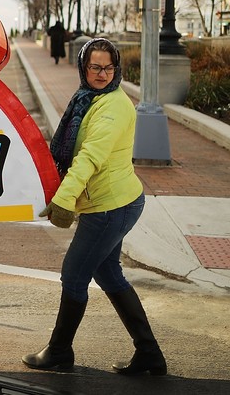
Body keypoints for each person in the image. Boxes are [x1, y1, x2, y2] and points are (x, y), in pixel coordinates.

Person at [22, 38, 167, 376]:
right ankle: (149, 354)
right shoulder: (88, 100)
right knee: (107, 272)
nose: (102, 74)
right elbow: (71, 147)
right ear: (84, 68)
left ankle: (59, 350)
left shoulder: (113, 106)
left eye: (108, 68)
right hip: (114, 202)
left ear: (117, 69)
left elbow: (90, 158)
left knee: (73, 275)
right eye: (94, 67)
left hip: (109, 207)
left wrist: (63, 199)